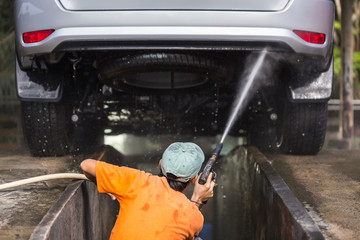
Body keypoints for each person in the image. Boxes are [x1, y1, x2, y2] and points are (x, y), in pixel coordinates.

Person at [80, 142, 216, 240]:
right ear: (194, 179)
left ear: (160, 164)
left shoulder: (137, 181)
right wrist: (198, 199)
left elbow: (85, 165)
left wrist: (103, 183)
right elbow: (186, 223)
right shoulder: (193, 215)